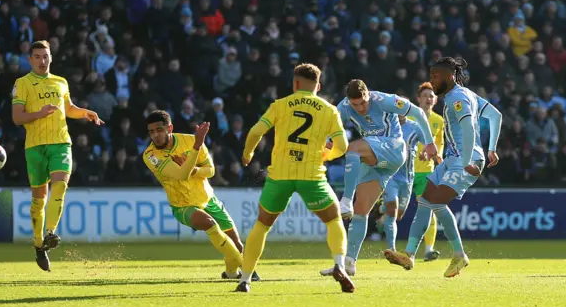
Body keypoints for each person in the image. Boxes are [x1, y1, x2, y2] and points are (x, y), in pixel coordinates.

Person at [234, 63, 353, 293]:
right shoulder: (329, 110)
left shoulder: (280, 105)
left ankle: (245, 280)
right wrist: (328, 155)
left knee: (261, 225)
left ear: (295, 84)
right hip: (312, 175)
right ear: (318, 86)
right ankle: (340, 265)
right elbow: (343, 145)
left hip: (280, 175)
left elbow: (256, 131)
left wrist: (248, 153)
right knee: (333, 219)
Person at [384, 57, 502, 278]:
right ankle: (409, 254)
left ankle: (459, 254)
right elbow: (496, 116)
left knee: (436, 201)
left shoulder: (457, 98)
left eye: (435, 76)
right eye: (430, 76)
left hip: (464, 159)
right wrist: (492, 148)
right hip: (450, 159)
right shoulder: (467, 94)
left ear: (449, 76)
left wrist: (468, 159)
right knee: (425, 201)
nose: (432, 81)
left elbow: (468, 128)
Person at [322, 79, 437, 276]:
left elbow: (417, 113)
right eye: (355, 104)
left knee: (353, 149)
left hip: (394, 147)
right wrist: (326, 141)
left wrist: (429, 143)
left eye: (363, 102)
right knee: (361, 211)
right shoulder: (344, 107)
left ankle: (345, 201)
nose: (360, 108)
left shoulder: (384, 100)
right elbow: (327, 125)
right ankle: (348, 263)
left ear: (368, 94)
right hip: (377, 160)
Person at [12, 40, 103, 272]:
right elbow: (17, 117)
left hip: (60, 143)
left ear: (51, 58)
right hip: (34, 146)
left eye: (46, 56)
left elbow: (68, 108)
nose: (43, 61)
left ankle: (51, 233)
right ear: (30, 59)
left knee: (60, 185)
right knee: (39, 199)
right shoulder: (22, 84)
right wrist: (39, 113)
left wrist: (85, 113)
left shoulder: (60, 82)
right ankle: (38, 245)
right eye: (38, 57)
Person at [142, 111, 259, 281]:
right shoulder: (150, 155)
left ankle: (231, 273)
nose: (155, 136)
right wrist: (197, 147)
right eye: (151, 132)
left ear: (170, 128)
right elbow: (181, 175)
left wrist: (195, 167)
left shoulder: (190, 140)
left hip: (208, 198)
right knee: (209, 223)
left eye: (159, 130)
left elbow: (210, 171)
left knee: (237, 244)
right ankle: (247, 270)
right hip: (183, 205)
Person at [408, 82, 445, 262]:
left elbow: (440, 144)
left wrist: (439, 158)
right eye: (425, 96)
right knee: (392, 209)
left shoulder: (439, 121)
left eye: (431, 96)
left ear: (435, 100)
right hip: (404, 170)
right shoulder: (410, 117)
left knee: (428, 210)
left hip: (426, 173)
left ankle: (428, 249)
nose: (428, 99)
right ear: (418, 99)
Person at [380, 111, 426, 252]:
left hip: (407, 178)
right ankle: (391, 249)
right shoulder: (386, 127)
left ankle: (380, 208)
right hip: (390, 176)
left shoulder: (415, 127)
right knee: (392, 212)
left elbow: (427, 144)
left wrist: (424, 152)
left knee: (399, 214)